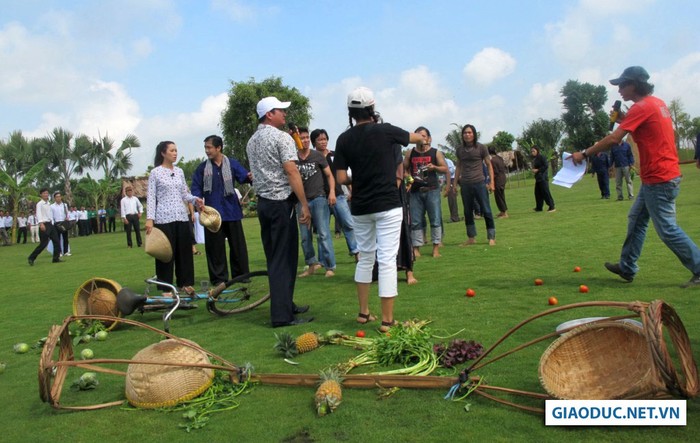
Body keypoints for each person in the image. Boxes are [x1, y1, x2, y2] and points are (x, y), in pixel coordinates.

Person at [571, 66, 700, 287]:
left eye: (623, 85)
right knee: (636, 220)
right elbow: (645, 128)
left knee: (667, 229)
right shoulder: (656, 103)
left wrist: (584, 154)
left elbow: (614, 140)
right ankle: (627, 266)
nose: (619, 90)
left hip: (659, 178)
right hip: (658, 177)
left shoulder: (641, 107)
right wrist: (623, 118)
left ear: (635, 84)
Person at [334, 86, 424, 332]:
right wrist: (413, 137)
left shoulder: (343, 139)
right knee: (386, 260)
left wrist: (359, 178)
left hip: (361, 206)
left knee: (365, 259)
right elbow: (417, 138)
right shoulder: (386, 130)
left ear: (351, 112)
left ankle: (363, 313)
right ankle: (387, 320)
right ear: (372, 108)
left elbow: (341, 178)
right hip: (387, 204)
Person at [246, 96, 312, 327]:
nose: (284, 114)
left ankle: (285, 304)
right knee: (285, 260)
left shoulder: (251, 141)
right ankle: (282, 316)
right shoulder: (282, 137)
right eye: (280, 110)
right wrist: (304, 203)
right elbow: (291, 171)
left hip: (264, 204)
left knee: (275, 258)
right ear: (269, 114)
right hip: (281, 203)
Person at [191, 135, 252, 285]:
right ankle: (219, 279)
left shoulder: (232, 164)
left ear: (219, 148)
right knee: (214, 249)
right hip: (211, 215)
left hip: (232, 212)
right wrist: (198, 201)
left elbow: (244, 177)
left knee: (238, 247)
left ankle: (241, 275)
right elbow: (196, 188)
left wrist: (250, 176)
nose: (207, 151)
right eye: (205, 147)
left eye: (209, 147)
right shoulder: (202, 168)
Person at [145, 141, 203, 293]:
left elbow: (184, 193)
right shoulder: (155, 173)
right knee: (165, 254)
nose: (175, 153)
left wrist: (195, 199)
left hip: (181, 216)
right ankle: (166, 288)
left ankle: (185, 283)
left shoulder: (180, 172)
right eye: (172, 150)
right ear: (163, 153)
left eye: (176, 150)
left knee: (184, 252)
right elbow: (151, 197)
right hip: (164, 218)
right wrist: (150, 219)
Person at [310, 128, 359, 261]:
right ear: (314, 142)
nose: (323, 142)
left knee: (348, 224)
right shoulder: (312, 157)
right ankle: (323, 260)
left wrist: (350, 189)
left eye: (325, 139)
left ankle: (356, 252)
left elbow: (343, 173)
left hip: (338, 195)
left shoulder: (334, 155)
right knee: (322, 231)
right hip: (320, 196)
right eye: (319, 139)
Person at [294, 127, 337, 278]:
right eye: (302, 138)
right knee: (305, 236)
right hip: (302, 201)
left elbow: (330, 175)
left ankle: (329, 266)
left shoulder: (318, 156)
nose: (304, 140)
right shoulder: (292, 158)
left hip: (319, 198)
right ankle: (312, 264)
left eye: (306, 137)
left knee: (323, 233)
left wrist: (331, 192)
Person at [403, 126, 448, 258]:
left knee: (435, 219)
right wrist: (409, 179)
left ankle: (435, 248)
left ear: (429, 138)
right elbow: (403, 169)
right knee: (416, 221)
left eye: (424, 135)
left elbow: (444, 168)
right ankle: (416, 248)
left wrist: (434, 167)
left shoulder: (435, 153)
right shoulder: (410, 153)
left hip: (432, 190)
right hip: (415, 192)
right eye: (419, 135)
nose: (421, 138)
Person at [455, 124, 496, 246]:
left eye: (469, 132)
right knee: (467, 211)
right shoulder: (460, 150)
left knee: (486, 210)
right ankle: (471, 237)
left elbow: (489, 165)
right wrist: (454, 185)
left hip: (479, 183)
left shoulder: (481, 148)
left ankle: (491, 237)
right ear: (462, 135)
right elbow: (458, 167)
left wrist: (491, 182)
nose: (467, 135)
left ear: (474, 134)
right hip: (465, 184)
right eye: (465, 133)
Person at [28, 188, 61, 265]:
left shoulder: (49, 203)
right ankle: (31, 257)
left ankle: (56, 258)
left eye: (47, 193)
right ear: (41, 195)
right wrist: (41, 223)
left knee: (56, 241)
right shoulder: (39, 204)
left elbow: (50, 214)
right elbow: (38, 214)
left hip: (50, 224)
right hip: (44, 224)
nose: (46, 195)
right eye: (44, 193)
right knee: (43, 244)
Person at [530, 146, 556, 213]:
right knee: (537, 193)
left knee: (545, 192)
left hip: (543, 178)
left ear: (537, 151)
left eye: (534, 151)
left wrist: (538, 170)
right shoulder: (535, 159)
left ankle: (552, 206)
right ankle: (539, 207)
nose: (532, 152)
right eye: (532, 151)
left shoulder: (542, 157)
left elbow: (546, 166)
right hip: (538, 178)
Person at [488, 147, 509, 218]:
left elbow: (495, 172)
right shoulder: (500, 158)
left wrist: (491, 181)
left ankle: (504, 213)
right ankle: (503, 211)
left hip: (498, 180)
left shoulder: (492, 161)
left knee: (498, 196)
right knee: (501, 195)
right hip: (503, 178)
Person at [50, 191, 70, 256]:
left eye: (59, 196)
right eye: (57, 197)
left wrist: (67, 218)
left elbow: (67, 213)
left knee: (65, 238)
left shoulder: (64, 205)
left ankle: (66, 251)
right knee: (57, 239)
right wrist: (53, 224)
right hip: (57, 223)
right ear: (54, 198)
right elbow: (51, 216)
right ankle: (59, 252)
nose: (58, 198)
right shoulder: (52, 206)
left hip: (63, 222)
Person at [443, 157, 461, 222]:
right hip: (449, 179)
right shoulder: (443, 162)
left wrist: (445, 170)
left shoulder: (447, 161)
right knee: (451, 198)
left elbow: (452, 170)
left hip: (452, 179)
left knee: (452, 198)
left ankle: (454, 217)